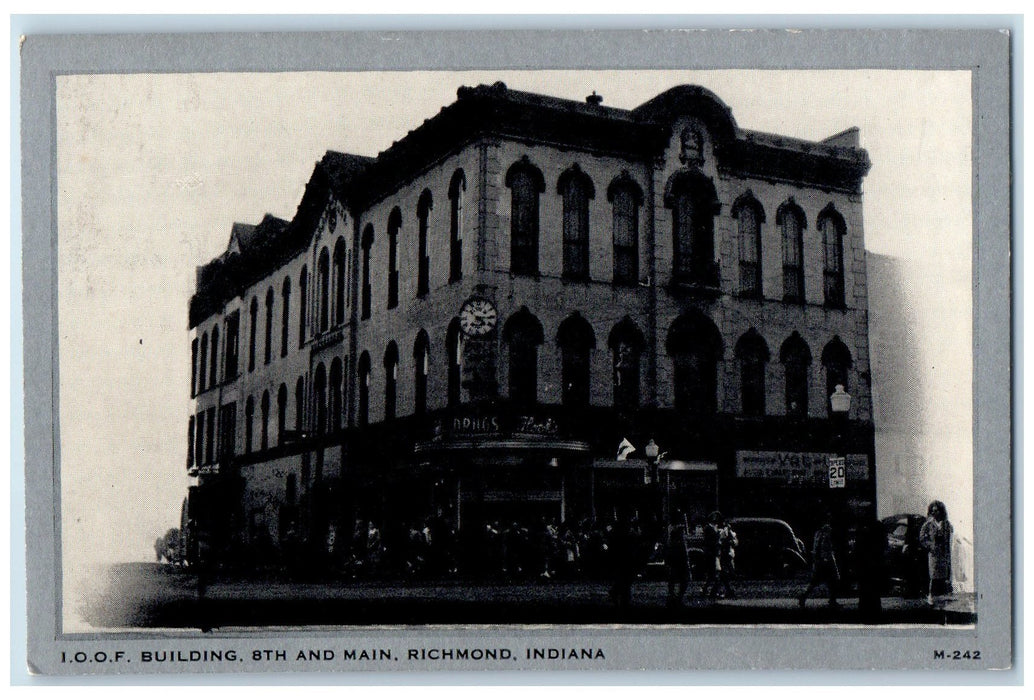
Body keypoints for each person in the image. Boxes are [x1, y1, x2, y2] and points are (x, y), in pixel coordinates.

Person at [799, 513, 840, 608]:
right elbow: (826, 546)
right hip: (827, 559)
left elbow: (817, 546)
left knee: (816, 581)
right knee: (834, 580)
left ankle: (804, 596)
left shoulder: (818, 532)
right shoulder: (827, 531)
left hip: (820, 560)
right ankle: (832, 600)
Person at [919, 500, 954, 606]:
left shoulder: (947, 525)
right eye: (933, 511)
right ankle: (931, 597)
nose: (935, 513)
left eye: (937, 511)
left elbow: (950, 538)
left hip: (944, 555)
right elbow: (922, 538)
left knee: (944, 576)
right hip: (934, 555)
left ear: (941, 511)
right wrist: (930, 546)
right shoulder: (928, 525)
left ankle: (943, 600)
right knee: (933, 576)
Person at [664, 513, 691, 607]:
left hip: (675, 559)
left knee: (674, 579)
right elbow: (683, 550)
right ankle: (676, 598)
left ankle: (674, 597)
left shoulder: (671, 533)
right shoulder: (678, 538)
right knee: (683, 579)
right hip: (679, 560)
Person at [701, 511, 722, 600]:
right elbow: (709, 541)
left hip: (714, 552)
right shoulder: (708, 528)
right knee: (715, 573)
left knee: (712, 574)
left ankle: (707, 589)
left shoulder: (714, 528)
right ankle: (714, 591)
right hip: (711, 553)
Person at [716, 518, 738, 599]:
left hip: (729, 554)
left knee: (728, 573)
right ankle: (726, 590)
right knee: (725, 573)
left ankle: (725, 590)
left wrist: (732, 542)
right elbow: (720, 542)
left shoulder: (732, 534)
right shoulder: (722, 533)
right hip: (725, 555)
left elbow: (735, 542)